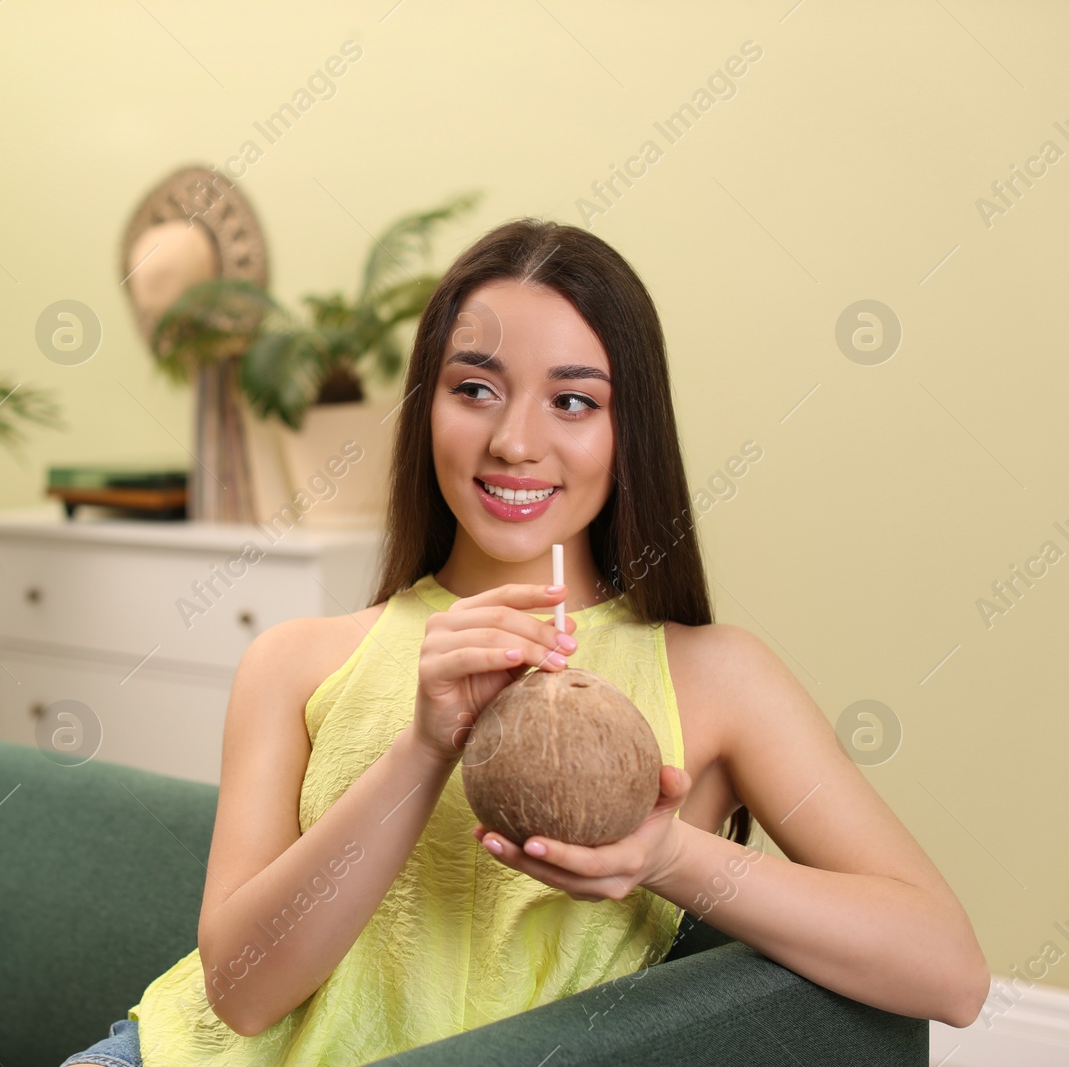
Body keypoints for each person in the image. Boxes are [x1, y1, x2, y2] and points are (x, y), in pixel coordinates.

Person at [59, 218, 990, 1067]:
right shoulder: (296, 658)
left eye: (573, 401)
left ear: (631, 432)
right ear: (428, 407)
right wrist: (423, 750)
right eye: (475, 390)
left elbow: (948, 971)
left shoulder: (718, 676)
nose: (513, 440)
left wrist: (665, 857)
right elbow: (243, 992)